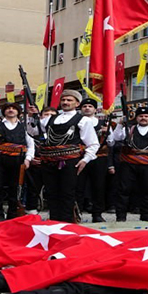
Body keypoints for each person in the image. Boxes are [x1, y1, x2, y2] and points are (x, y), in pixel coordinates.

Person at [38, 90, 100, 223]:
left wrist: (85, 160)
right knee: (51, 192)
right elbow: (34, 131)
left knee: (67, 192)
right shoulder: (50, 119)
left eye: (69, 100)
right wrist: (32, 116)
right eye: (63, 100)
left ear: (77, 103)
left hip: (70, 161)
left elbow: (93, 144)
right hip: (49, 161)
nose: (65, 102)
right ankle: (54, 221)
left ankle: (67, 223)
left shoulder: (83, 120)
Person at [110, 107, 148, 222]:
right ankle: (121, 216)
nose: (143, 118)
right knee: (124, 189)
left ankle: (146, 214)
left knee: (147, 190)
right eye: (141, 116)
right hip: (128, 163)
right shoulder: (129, 129)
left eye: (146, 116)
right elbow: (115, 138)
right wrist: (120, 125)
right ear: (136, 118)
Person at [0, 102, 34, 220]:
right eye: (8, 108)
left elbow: (31, 144)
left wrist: (28, 158)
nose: (11, 110)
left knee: (15, 187)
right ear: (4, 111)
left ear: (18, 112)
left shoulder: (25, 126)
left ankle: (12, 214)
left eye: (13, 108)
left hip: (18, 159)